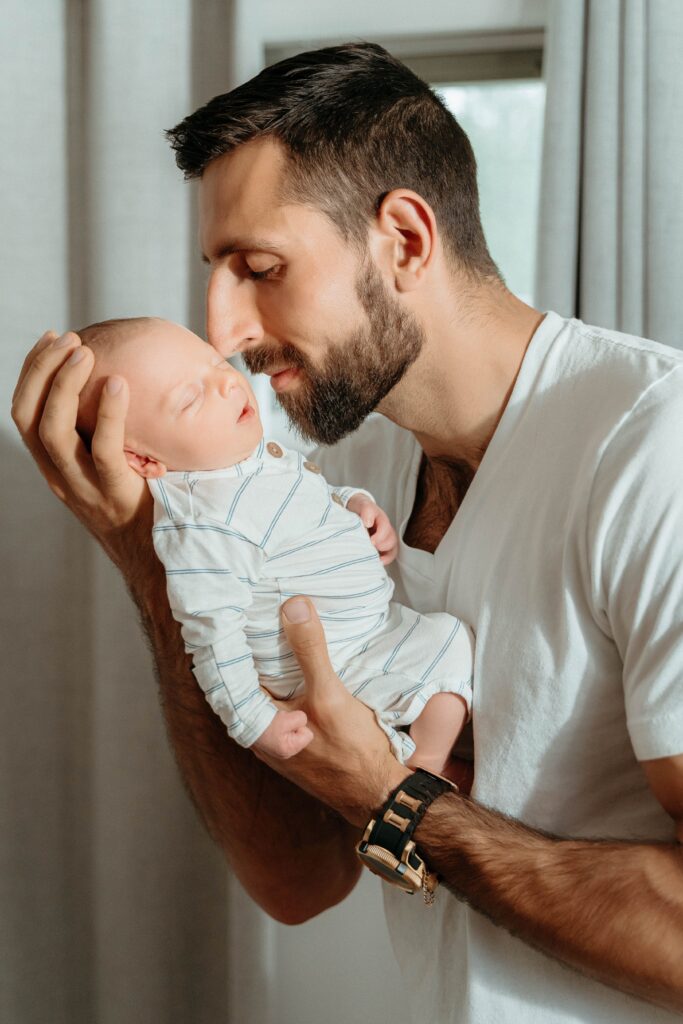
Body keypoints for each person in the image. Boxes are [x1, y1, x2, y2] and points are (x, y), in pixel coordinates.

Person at [11, 41, 683, 1024]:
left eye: (260, 268)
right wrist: (149, 558)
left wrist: (400, 802)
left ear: (404, 240)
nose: (223, 326)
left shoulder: (647, 448)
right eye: (215, 274)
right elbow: (294, 879)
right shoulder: (341, 482)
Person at [76, 315, 473, 768]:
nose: (228, 384)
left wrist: (356, 506)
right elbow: (213, 639)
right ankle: (422, 763)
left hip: (375, 630)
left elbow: (305, 499)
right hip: (339, 668)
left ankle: (426, 760)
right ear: (144, 459)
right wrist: (253, 721)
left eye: (213, 363)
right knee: (442, 668)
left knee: (452, 639)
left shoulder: (241, 459)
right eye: (190, 398)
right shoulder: (205, 526)